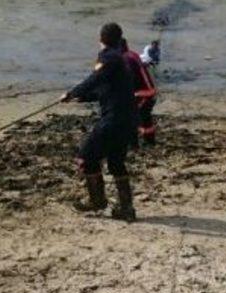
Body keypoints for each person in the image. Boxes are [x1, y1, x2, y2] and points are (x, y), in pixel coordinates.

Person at [61, 22, 138, 221]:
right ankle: (126, 209)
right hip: (128, 120)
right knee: (115, 162)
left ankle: (97, 201)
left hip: (114, 119)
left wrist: (72, 92)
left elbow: (94, 79)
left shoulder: (109, 57)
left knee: (86, 157)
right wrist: (82, 98)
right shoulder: (121, 60)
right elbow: (107, 89)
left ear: (101, 39)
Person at [120, 37, 158, 146]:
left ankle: (134, 144)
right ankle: (150, 141)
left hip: (142, 94)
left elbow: (129, 80)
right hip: (149, 92)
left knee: (130, 117)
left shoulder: (125, 59)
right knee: (145, 118)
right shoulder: (132, 55)